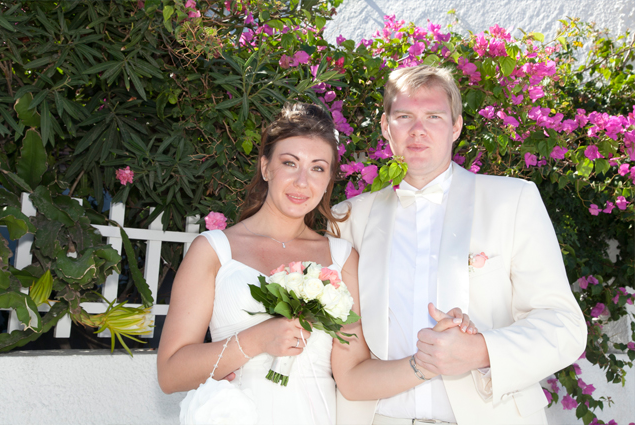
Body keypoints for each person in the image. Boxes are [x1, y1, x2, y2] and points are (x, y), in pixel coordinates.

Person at [157, 102, 477, 425]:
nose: (302, 181)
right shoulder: (213, 251)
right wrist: (256, 340)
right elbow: (170, 373)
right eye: (289, 163)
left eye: (318, 168)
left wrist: (426, 362)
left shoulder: (341, 258)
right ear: (266, 167)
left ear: (329, 180)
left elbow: (352, 378)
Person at [332, 65, 588, 425]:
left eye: (433, 116)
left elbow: (564, 325)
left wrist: (481, 350)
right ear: (386, 128)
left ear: (456, 126)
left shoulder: (513, 201)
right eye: (404, 116)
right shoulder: (345, 220)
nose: (418, 130)